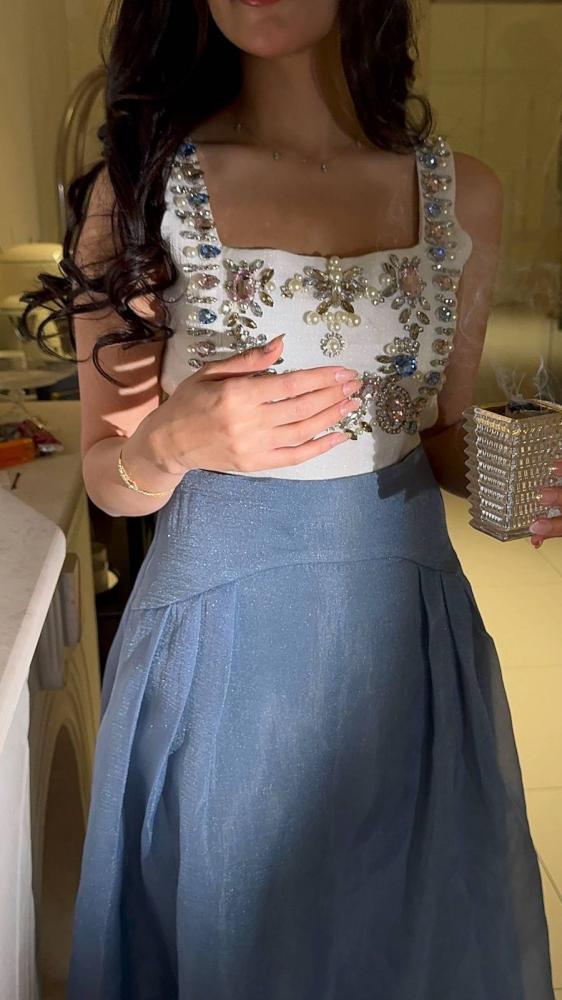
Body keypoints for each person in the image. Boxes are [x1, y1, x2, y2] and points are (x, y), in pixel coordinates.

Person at [24, 0, 559, 997]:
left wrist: (518, 477)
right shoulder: (139, 195)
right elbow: (107, 472)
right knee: (236, 932)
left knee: (404, 941)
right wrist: (175, 439)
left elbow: (435, 433)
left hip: (403, 636)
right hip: (219, 647)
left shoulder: (460, 194)